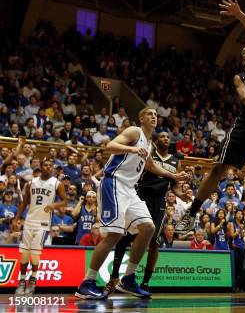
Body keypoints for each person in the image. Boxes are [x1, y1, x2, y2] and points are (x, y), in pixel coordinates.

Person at [175, 0, 245, 263]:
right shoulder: (240, 76)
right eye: (243, 51)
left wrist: (239, 13)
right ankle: (193, 212)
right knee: (219, 167)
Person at [75, 108, 188, 300]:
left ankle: (128, 279)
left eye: (155, 114)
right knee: (115, 234)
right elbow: (110, 146)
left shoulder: (149, 142)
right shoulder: (135, 132)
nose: (154, 116)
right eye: (149, 114)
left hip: (129, 189)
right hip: (114, 183)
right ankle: (87, 282)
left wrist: (173, 175)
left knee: (148, 228)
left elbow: (151, 166)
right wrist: (132, 149)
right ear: (141, 118)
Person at [106, 131, 183, 295]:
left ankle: (145, 282)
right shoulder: (149, 153)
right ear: (156, 140)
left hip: (160, 201)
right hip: (141, 195)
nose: (166, 138)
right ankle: (113, 278)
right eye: (162, 136)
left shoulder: (176, 161)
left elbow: (174, 185)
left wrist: (182, 194)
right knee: (125, 236)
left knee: (154, 242)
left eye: (168, 137)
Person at [15, 158, 66, 294]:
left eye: (51, 165)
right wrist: (16, 218)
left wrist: (54, 205)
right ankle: (21, 281)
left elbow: (65, 201)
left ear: (53, 168)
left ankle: (33, 279)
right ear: (41, 167)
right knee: (25, 253)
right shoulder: (31, 183)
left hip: (43, 224)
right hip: (29, 221)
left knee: (34, 253)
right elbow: (24, 202)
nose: (48, 167)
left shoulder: (57, 183)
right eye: (46, 165)